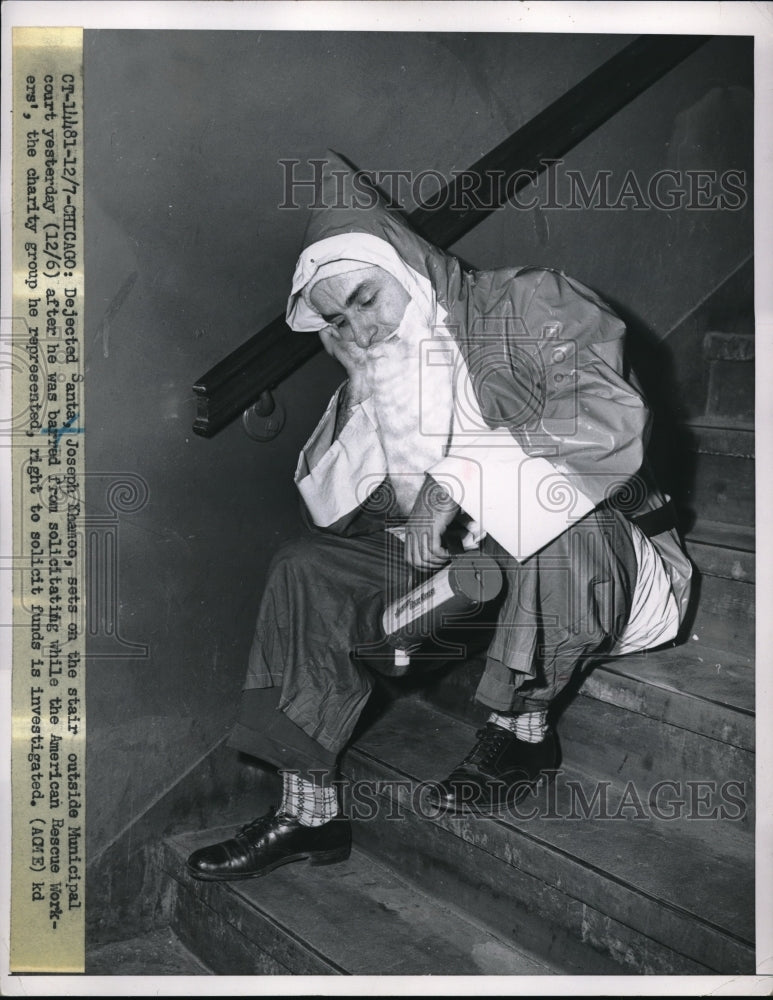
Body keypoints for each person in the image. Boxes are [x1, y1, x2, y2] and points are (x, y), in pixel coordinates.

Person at [187, 154, 692, 882]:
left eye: (364, 299)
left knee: (555, 511)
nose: (358, 329)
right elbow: (333, 513)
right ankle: (307, 810)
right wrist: (364, 392)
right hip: (475, 582)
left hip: (601, 558)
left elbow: (605, 422)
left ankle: (521, 728)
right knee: (307, 566)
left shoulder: (532, 301)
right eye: (337, 320)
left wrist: (457, 479)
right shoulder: (377, 367)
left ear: (405, 263)